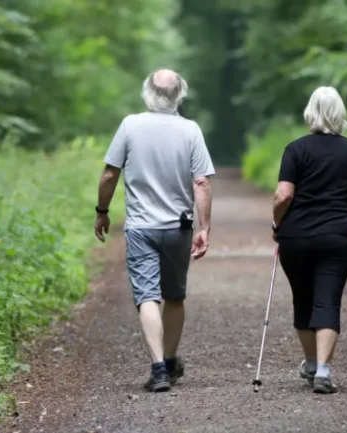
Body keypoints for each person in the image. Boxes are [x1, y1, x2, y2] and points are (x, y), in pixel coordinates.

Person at [93, 69, 215, 392]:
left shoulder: (130, 126)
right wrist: (205, 227)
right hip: (179, 227)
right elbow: (201, 181)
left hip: (141, 228)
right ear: (180, 94)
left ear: (147, 92)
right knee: (174, 297)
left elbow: (109, 175)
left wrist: (102, 212)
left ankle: (159, 369)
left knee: (147, 296)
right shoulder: (190, 130)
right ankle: (171, 360)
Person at [271, 86, 347, 394]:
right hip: (336, 236)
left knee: (302, 299)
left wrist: (276, 221)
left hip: (296, 236)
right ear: (340, 114)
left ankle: (312, 363)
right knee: (327, 300)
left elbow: (284, 194)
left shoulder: (295, 149)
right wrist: (343, 208)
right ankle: (324, 372)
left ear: (310, 113)